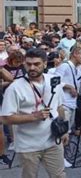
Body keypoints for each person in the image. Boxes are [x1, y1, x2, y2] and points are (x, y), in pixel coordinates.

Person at [1, 48, 68, 178]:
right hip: (28, 145)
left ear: (44, 63)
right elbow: (5, 118)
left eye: (36, 64)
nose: (32, 67)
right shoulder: (15, 88)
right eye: (28, 64)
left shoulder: (54, 80)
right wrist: (33, 117)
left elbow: (59, 107)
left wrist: (64, 130)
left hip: (53, 141)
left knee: (59, 176)